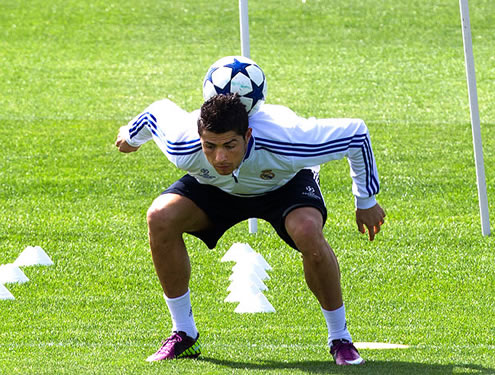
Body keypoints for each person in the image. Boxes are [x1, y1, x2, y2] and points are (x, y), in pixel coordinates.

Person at [116, 91, 385, 365]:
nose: (219, 157)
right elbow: (155, 113)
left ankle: (340, 338)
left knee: (307, 231)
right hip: (216, 188)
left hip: (284, 184)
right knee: (160, 216)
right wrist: (130, 137)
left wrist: (366, 200)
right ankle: (184, 334)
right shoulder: (181, 143)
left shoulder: (287, 139)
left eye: (229, 145)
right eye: (210, 146)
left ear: (247, 136)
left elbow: (356, 134)